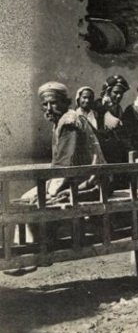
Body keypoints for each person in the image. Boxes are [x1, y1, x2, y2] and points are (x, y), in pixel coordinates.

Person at [6, 82, 107, 276]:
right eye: (45, 104)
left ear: (65, 102)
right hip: (76, 178)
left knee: (34, 201)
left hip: (89, 182)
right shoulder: (63, 120)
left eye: (53, 103)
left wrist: (50, 191)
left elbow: (65, 164)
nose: (48, 108)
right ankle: (28, 255)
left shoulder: (69, 122)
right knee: (27, 199)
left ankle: (32, 256)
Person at [95, 75, 131, 165]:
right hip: (100, 152)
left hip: (116, 152)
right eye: (116, 92)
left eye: (121, 93)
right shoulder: (98, 105)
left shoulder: (118, 109)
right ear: (108, 91)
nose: (119, 96)